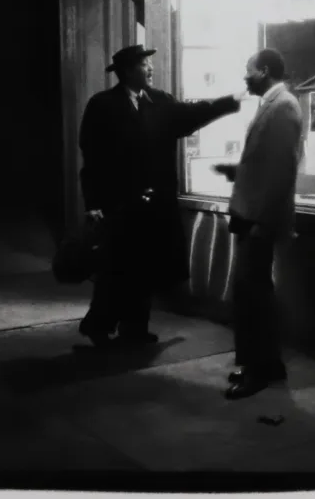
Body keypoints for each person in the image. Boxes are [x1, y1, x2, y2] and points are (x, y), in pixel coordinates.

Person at [78, 44, 241, 347]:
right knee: (117, 267)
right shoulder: (102, 105)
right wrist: (94, 204)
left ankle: (134, 329)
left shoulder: (160, 102)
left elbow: (193, 114)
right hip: (120, 204)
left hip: (155, 204)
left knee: (144, 268)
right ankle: (97, 323)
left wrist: (230, 103)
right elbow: (92, 158)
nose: (151, 69)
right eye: (144, 65)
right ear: (127, 71)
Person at [215, 48, 302, 400]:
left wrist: (263, 223)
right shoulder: (274, 104)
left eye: (248, 71)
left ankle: (256, 371)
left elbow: (281, 172)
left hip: (258, 221)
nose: (245, 77)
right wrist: (237, 171)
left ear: (264, 70)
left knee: (251, 297)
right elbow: (267, 165)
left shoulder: (282, 106)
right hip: (253, 216)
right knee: (256, 294)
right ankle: (269, 364)